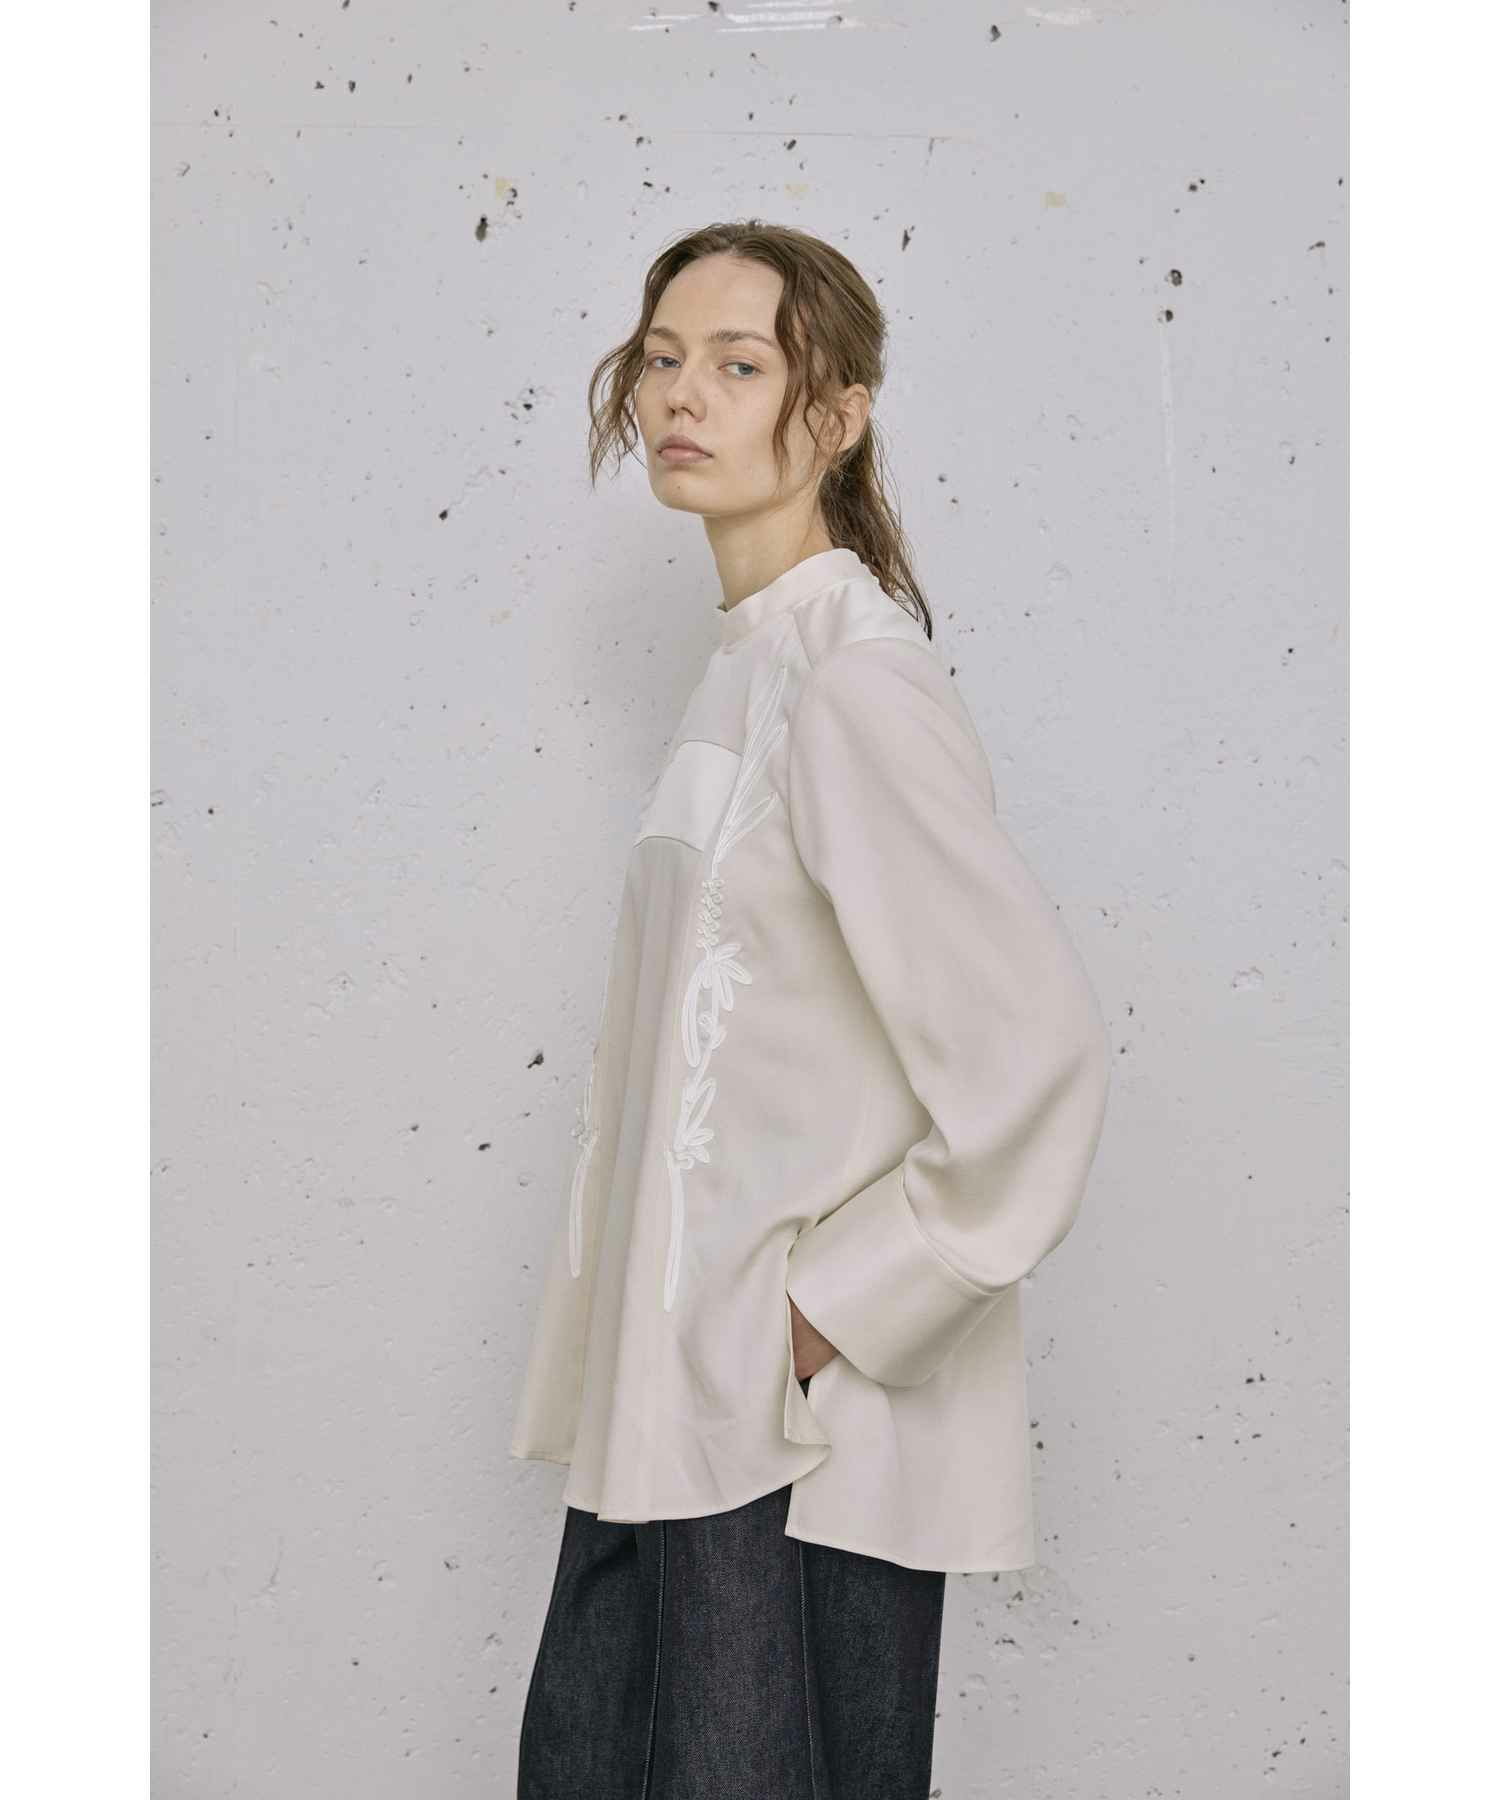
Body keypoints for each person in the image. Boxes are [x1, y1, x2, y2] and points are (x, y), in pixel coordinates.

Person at [509, 220, 1112, 1799]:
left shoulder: (853, 678)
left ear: (835, 417)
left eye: (737, 364)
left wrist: (824, 1315)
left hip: (787, 1440)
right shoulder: (751, 668)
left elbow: (1034, 1059)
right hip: (677, 1410)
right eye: (662, 358)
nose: (679, 396)